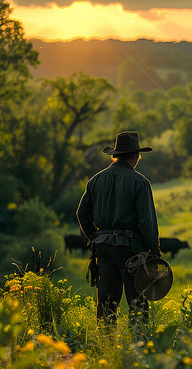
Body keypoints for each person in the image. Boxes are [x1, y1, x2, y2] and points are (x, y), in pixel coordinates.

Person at [76, 131, 161, 330]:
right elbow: (147, 222)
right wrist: (154, 253)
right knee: (137, 300)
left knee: (106, 301)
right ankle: (140, 348)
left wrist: (94, 237)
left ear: (116, 155)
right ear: (136, 156)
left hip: (103, 247)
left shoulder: (95, 180)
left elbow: (82, 213)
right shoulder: (140, 182)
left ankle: (105, 346)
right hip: (130, 249)